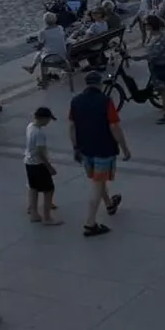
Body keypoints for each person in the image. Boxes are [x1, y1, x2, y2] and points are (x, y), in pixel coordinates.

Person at [68, 71, 131, 237]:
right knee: (97, 184)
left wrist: (75, 147)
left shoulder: (76, 101)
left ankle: (110, 204)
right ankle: (90, 223)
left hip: (85, 149)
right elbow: (114, 127)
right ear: (99, 84)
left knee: (98, 179)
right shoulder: (105, 102)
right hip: (104, 149)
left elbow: (72, 126)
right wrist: (125, 148)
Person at [24, 105, 61, 225]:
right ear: (43, 118)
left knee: (33, 187)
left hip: (29, 162)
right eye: (48, 119)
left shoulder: (30, 126)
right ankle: (47, 217)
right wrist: (49, 167)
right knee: (49, 189)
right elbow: (40, 152)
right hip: (38, 164)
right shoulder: (39, 133)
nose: (49, 122)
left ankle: (33, 210)